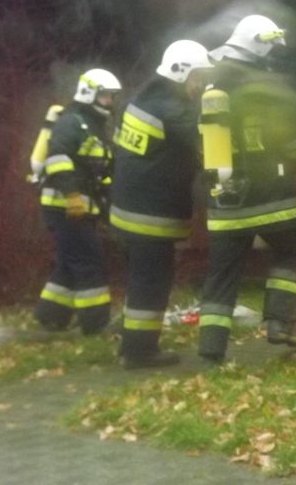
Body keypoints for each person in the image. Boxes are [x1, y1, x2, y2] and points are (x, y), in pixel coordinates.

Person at [198, 14, 296, 363]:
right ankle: (279, 324)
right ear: (262, 49)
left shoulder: (211, 87)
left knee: (222, 274)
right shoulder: (272, 89)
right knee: (291, 253)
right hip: (273, 196)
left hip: (225, 200)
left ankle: (210, 348)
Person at [110, 40, 214, 369]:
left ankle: (131, 343)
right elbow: (203, 141)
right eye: (198, 76)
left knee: (141, 280)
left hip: (129, 207)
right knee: (151, 282)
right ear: (181, 72)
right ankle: (139, 352)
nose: (201, 84)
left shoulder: (143, 99)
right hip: (150, 213)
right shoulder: (172, 109)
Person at [34, 68, 122, 335]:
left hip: (81, 208)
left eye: (112, 96)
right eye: (105, 95)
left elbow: (100, 171)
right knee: (89, 260)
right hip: (64, 206)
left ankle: (51, 316)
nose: (110, 101)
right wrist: (72, 196)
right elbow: (58, 159)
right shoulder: (71, 122)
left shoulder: (95, 127)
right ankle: (96, 322)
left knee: (68, 261)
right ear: (88, 93)